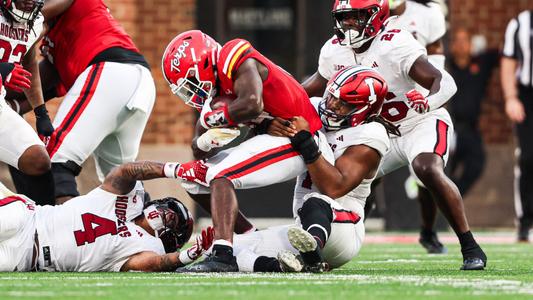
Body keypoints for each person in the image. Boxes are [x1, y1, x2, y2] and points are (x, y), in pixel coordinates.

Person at [301, 0, 486, 270]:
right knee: (349, 183)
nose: (349, 23)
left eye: (356, 16)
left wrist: (428, 101)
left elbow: (444, 81)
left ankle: (470, 245)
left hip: (419, 122)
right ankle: (329, 246)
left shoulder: (393, 42)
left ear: (375, 16)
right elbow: (309, 88)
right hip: (381, 133)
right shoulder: (333, 51)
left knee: (427, 169)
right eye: (344, 17)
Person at [161, 30, 329, 272]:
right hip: (276, 137)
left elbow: (252, 103)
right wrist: (207, 140)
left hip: (298, 136)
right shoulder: (216, 94)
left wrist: (219, 118)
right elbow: (197, 149)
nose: (193, 92)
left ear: (205, 62)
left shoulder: (233, 53)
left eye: (191, 83)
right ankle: (250, 235)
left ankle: (223, 255)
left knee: (221, 174)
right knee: (191, 177)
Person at [226, 66, 396, 273]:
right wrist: (266, 126)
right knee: (234, 249)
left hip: (342, 230)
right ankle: (287, 266)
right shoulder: (313, 106)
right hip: (302, 226)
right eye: (332, 96)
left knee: (317, 201)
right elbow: (252, 143)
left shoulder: (370, 134)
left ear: (363, 110)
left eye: (343, 104)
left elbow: (333, 187)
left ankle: (313, 250)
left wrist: (305, 139)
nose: (332, 104)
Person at [9, 0, 156, 205]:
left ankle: (64, 232)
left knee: (57, 159)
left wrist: (16, 19)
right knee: (124, 187)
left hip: (110, 71)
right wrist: (11, 106)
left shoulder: (59, 9)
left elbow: (32, 17)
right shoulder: (56, 44)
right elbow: (31, 87)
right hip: (137, 81)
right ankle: (153, 230)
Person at [0, 160, 214, 272]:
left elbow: (154, 263)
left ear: (172, 238)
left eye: (173, 219)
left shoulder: (149, 247)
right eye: (168, 208)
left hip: (24, 258)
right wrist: (176, 169)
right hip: (28, 219)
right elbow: (126, 170)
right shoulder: (130, 196)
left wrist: (187, 256)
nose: (166, 214)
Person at [368, 0, 449, 254]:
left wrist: (428, 96)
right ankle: (351, 225)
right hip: (375, 97)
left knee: (425, 172)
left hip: (414, 102)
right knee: (365, 169)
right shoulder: (365, 14)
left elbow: (436, 63)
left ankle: (428, 230)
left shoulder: (427, 15)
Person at [0, 0, 56, 205]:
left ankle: (45, 223)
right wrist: (3, 69)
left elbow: (29, 60)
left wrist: (41, 112)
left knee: (37, 160)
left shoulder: (35, 19)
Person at [447, 28, 498, 196]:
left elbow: (502, 55)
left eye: (465, 41)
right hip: (449, 128)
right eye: (458, 41)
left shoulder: (480, 64)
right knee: (444, 169)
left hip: (470, 129)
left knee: (477, 163)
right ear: (453, 45)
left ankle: (454, 196)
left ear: (471, 45)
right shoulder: (446, 66)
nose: (461, 45)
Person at [501, 10, 533, 242]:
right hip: (528, 96)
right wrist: (511, 97)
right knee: (528, 157)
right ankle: (525, 220)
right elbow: (509, 61)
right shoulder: (520, 22)